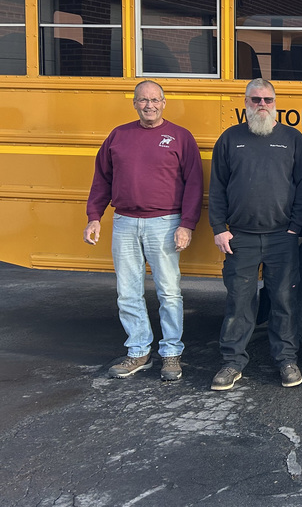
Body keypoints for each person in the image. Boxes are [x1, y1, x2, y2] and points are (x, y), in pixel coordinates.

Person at [84, 80, 202, 382]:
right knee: (127, 292)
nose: (149, 105)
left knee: (169, 292)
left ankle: (171, 352)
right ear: (134, 103)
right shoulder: (118, 136)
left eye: (154, 100)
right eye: (143, 100)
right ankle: (138, 351)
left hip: (165, 222)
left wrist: (186, 224)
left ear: (164, 103)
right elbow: (102, 179)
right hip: (124, 221)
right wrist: (94, 217)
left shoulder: (180, 137)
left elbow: (194, 184)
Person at [208, 78, 302, 391]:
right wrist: (219, 228)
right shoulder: (230, 139)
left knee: (284, 300)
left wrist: (295, 227)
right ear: (246, 103)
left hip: (282, 236)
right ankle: (232, 362)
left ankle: (287, 361)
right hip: (240, 237)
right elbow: (217, 188)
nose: (262, 105)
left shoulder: (293, 139)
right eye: (256, 100)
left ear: (275, 103)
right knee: (239, 301)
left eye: (267, 100)